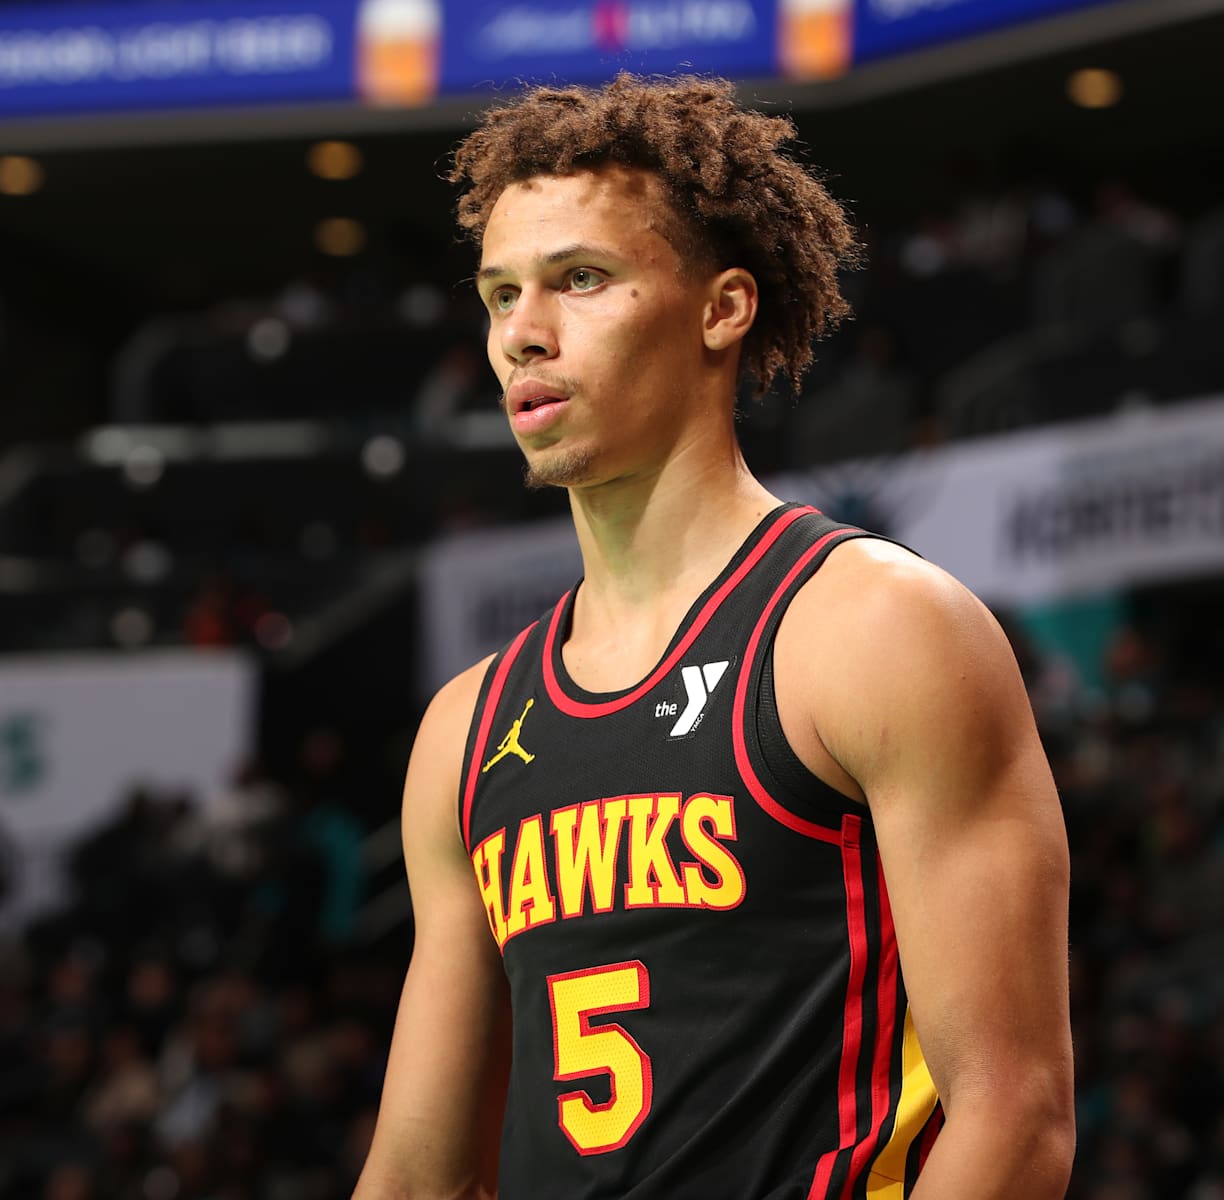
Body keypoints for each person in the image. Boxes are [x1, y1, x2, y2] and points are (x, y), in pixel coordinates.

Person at [356, 74, 1073, 1199]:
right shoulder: (466, 729)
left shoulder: (878, 628)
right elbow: (414, 1178)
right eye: (500, 296)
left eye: (580, 281)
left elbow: (1014, 1115)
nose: (523, 337)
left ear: (722, 308)